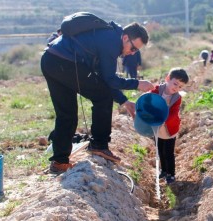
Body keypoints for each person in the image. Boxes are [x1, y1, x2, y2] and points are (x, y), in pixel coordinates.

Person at [41, 21, 154, 174]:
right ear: (126, 38)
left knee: (66, 114)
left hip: (50, 60)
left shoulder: (108, 36)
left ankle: (59, 162)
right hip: (65, 63)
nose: (133, 53)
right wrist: (137, 84)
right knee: (103, 98)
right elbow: (109, 80)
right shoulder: (112, 42)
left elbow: (103, 79)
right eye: (133, 48)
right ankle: (99, 145)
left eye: (136, 51)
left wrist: (124, 101)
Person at [150, 68, 189, 184]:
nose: (176, 88)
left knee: (168, 152)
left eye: (180, 87)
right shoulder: (156, 90)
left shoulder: (177, 98)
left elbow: (173, 113)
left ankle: (171, 174)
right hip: (157, 128)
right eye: (175, 83)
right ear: (168, 79)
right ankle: (163, 170)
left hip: (170, 128)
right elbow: (149, 100)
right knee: (160, 150)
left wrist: (163, 118)